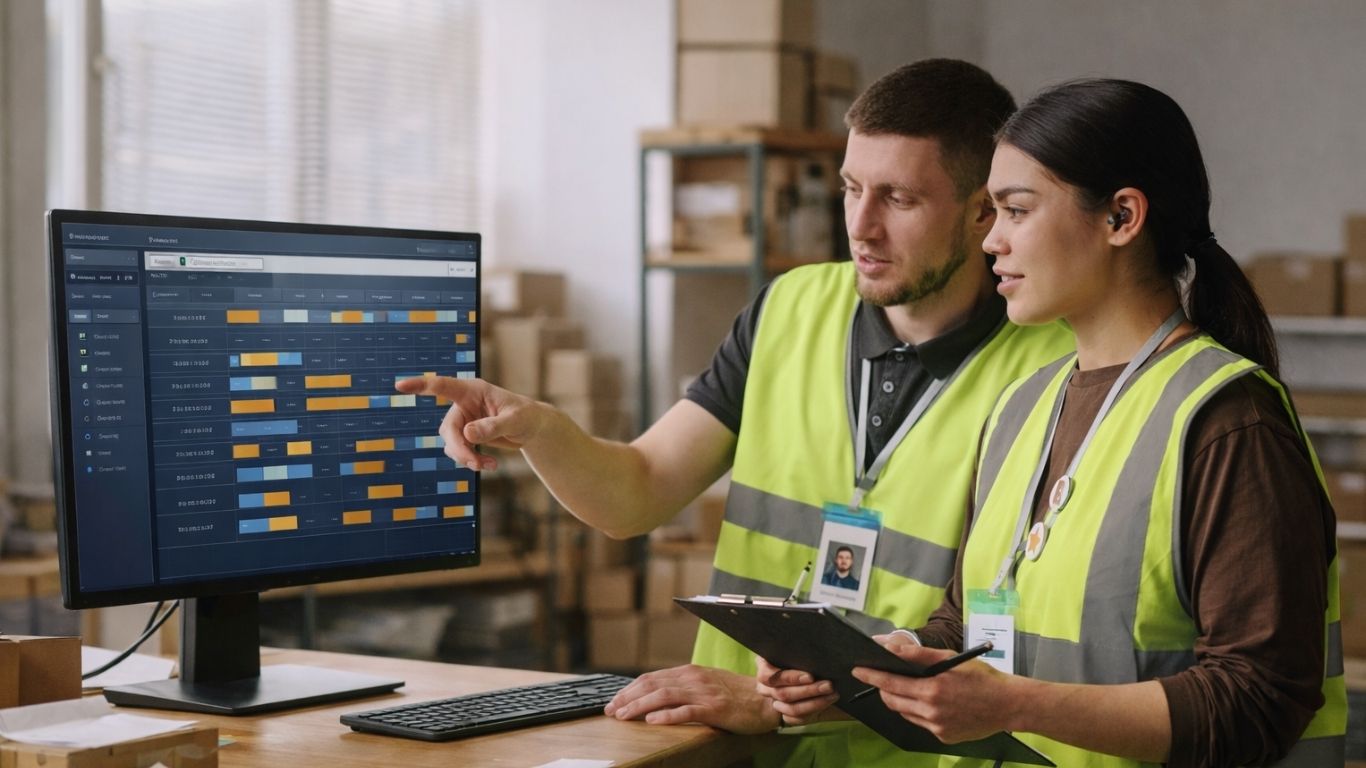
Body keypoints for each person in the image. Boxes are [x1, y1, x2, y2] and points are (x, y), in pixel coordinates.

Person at [398, 59, 1073, 764]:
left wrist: (774, 702)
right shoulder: (791, 308)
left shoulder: (1054, 365)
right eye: (850, 189)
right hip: (729, 752)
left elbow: (1011, 638)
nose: (861, 226)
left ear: (982, 210)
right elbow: (636, 491)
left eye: (898, 199)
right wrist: (542, 430)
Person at [757, 78, 1345, 767]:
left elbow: (1259, 700)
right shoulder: (1022, 408)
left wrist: (1014, 704)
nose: (991, 241)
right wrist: (867, 669)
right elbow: (967, 626)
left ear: (1121, 217)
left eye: (1016, 210)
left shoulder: (1227, 422)